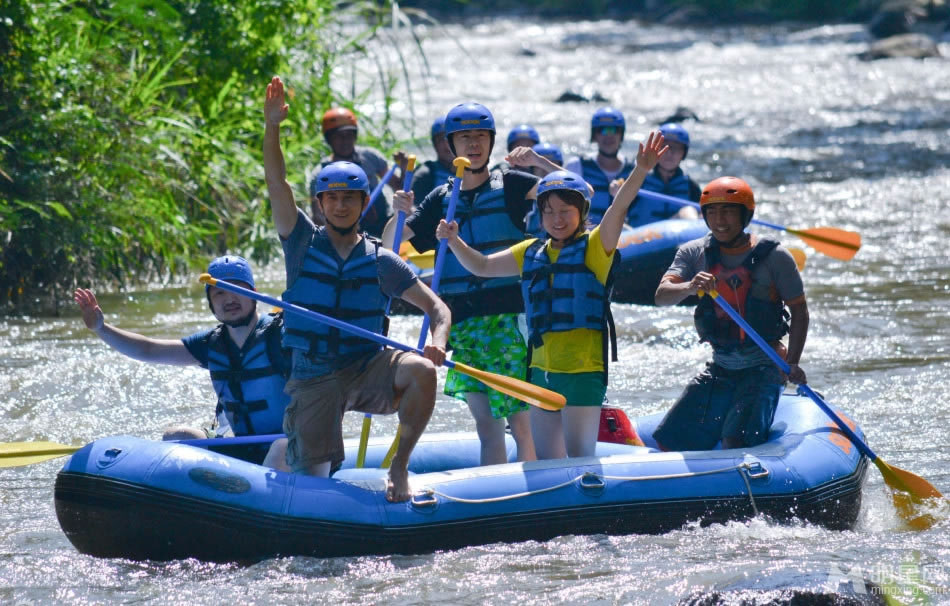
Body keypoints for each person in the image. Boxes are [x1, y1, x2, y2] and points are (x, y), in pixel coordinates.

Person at [264, 76, 450, 502]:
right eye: (332, 198)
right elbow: (277, 184)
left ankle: (399, 467)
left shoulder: (381, 260)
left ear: (364, 204)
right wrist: (272, 127)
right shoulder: (300, 242)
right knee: (313, 478)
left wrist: (438, 341)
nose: (341, 205)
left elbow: (437, 308)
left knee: (421, 371)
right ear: (319, 205)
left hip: (366, 365)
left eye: (350, 198)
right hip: (313, 371)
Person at [433, 132, 666, 459]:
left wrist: (641, 170)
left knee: (580, 457)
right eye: (549, 212)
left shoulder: (596, 248)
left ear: (581, 213)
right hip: (541, 372)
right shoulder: (530, 251)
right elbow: (483, 266)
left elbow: (619, 206)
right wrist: (454, 241)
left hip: (583, 374)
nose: (557, 219)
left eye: (565, 211)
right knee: (546, 465)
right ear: (539, 216)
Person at [383, 103, 559, 467]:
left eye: (481, 136)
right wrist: (397, 212)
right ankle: (494, 497)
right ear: (451, 145)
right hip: (463, 324)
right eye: (465, 137)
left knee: (520, 423)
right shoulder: (440, 199)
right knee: (486, 426)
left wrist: (541, 163)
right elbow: (389, 248)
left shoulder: (512, 184)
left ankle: (532, 489)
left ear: (491, 142)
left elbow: (577, 193)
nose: (474, 144)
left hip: (508, 320)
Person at [72, 255, 291, 471]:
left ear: (253, 294)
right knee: (176, 436)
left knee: (281, 447)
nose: (229, 299)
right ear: (211, 304)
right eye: (219, 293)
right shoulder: (210, 344)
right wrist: (101, 328)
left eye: (237, 289)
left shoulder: (284, 335)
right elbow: (148, 349)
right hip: (242, 448)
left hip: (288, 446)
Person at [652, 177, 809, 451]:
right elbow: (661, 296)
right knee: (670, 442)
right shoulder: (693, 253)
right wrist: (689, 286)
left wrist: (793, 363)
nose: (719, 219)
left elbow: (799, 310)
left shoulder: (775, 257)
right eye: (711, 212)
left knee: (735, 443)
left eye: (727, 211)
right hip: (721, 366)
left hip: (764, 366)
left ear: (745, 215)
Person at [310, 107, 403, 238]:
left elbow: (398, 186)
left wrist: (404, 168)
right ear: (329, 139)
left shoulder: (370, 157)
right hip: (343, 234)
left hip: (381, 227)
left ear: (355, 136)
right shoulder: (319, 174)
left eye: (349, 135)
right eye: (339, 137)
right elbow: (318, 216)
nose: (345, 141)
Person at [565, 107, 635, 226]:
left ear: (621, 134)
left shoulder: (635, 170)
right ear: (595, 136)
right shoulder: (576, 166)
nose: (608, 136)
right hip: (588, 236)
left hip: (626, 237)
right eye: (602, 130)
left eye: (613, 130)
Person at [627, 122, 701, 226]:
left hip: (678, 241)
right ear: (656, 150)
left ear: (684, 153)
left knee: (688, 211)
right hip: (640, 238)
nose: (669, 153)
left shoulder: (691, 187)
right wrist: (617, 191)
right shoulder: (639, 180)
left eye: (675, 148)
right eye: (664, 147)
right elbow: (618, 207)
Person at [410, 115, 455, 205]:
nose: (446, 144)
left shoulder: (475, 171)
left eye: (449, 138)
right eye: (440, 139)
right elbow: (413, 209)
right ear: (434, 145)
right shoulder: (425, 174)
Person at [524, 142, 565, 236]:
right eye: (539, 167)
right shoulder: (522, 196)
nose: (545, 171)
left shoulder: (570, 196)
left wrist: (541, 162)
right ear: (532, 170)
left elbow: (588, 191)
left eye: (550, 165)